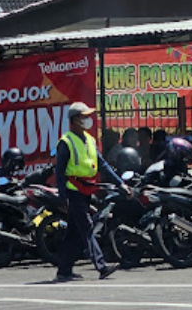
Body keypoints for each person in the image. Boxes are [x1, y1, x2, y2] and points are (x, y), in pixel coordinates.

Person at [54, 102, 124, 282]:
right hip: (73, 191)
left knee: (74, 233)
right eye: (84, 116)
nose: (87, 119)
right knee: (86, 227)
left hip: (87, 189)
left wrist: (120, 183)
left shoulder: (90, 140)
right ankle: (101, 266)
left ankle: (64, 270)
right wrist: (62, 196)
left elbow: (103, 165)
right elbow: (59, 172)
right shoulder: (66, 142)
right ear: (75, 120)